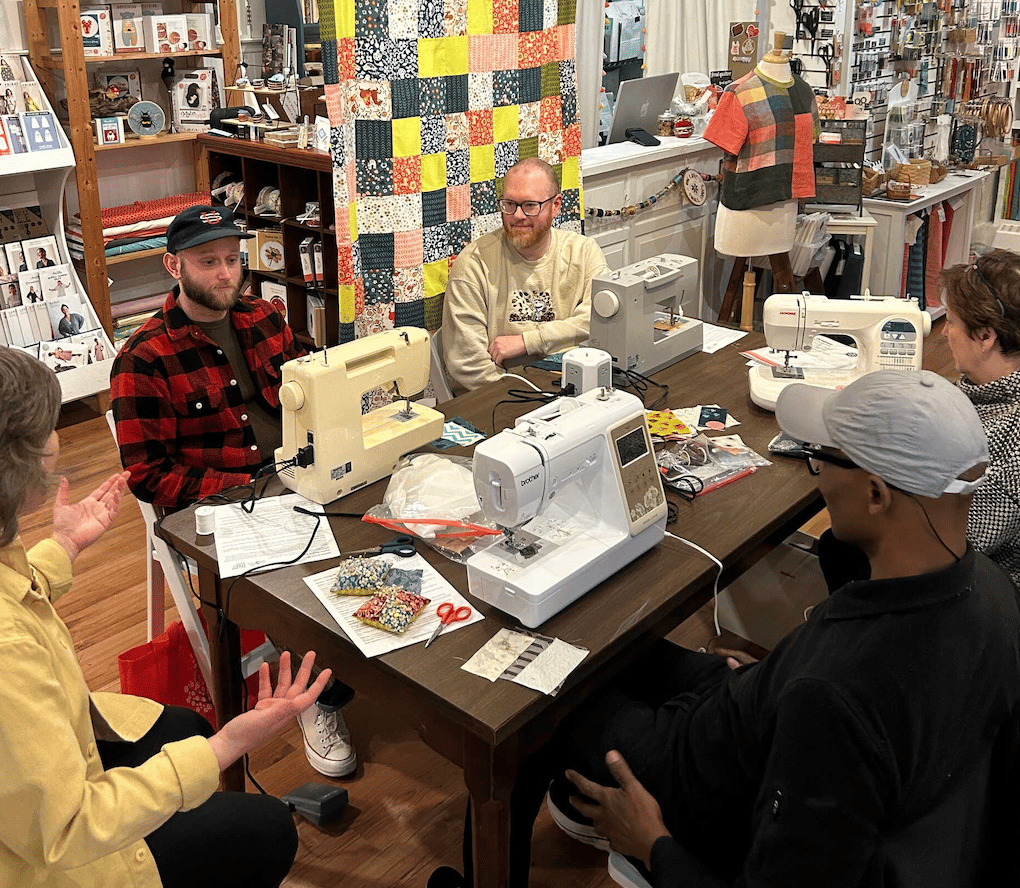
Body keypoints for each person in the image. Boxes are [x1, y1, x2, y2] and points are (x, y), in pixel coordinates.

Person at [430, 370, 1020, 888]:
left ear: (875, 494)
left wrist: (654, 844)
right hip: (754, 715)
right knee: (605, 649)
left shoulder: (836, 697)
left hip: (698, 781)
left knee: (536, 702)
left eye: (822, 459)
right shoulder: (994, 595)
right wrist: (778, 680)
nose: (816, 474)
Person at [0, 346, 332, 888]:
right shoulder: (7, 650)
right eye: (49, 431)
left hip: (43, 762)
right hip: (53, 861)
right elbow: (67, 831)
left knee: (185, 726)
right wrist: (228, 745)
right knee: (268, 828)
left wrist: (63, 546)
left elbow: (15, 592)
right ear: (20, 462)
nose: (57, 440)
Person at [110, 204, 358, 779]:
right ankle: (318, 697)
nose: (226, 273)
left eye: (232, 259)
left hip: (294, 473)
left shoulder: (265, 317)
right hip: (225, 499)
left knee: (379, 520)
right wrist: (248, 490)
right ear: (174, 266)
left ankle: (354, 662)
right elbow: (148, 474)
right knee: (295, 570)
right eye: (208, 262)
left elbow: (309, 393)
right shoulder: (142, 358)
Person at [441, 159, 607, 392]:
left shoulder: (584, 252)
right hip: (501, 396)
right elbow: (468, 364)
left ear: (556, 205)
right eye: (509, 204)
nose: (518, 215)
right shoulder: (473, 264)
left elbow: (601, 320)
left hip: (570, 388)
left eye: (530, 205)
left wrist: (528, 342)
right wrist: (533, 397)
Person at [940, 249, 1020, 587]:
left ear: (986, 337)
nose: (944, 332)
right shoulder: (988, 394)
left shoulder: (1007, 444)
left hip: (985, 594)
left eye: (951, 321)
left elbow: (947, 546)